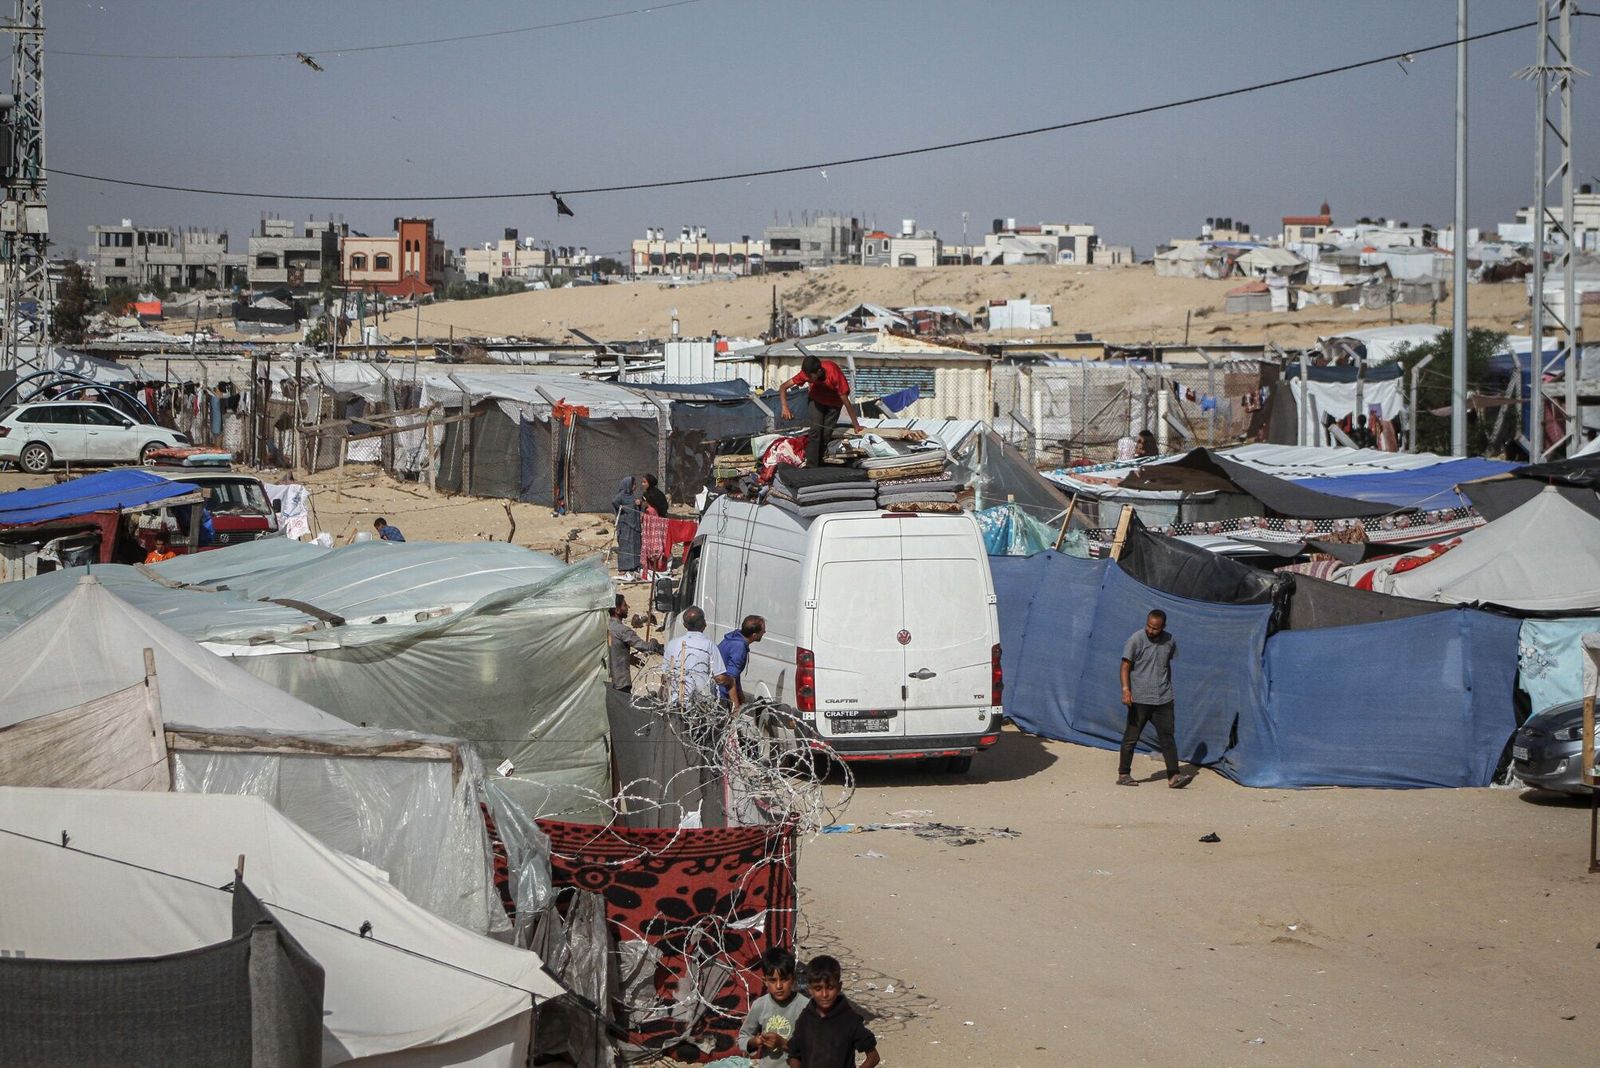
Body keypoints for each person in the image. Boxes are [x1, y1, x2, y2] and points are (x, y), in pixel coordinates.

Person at [1118, 609, 1186, 788]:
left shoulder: (1170, 641)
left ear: (1163, 627)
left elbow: (1166, 665)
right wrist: (1126, 690)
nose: (1150, 630)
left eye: (1155, 628)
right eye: (1148, 626)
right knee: (1131, 738)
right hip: (1139, 699)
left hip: (1163, 699)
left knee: (1167, 738)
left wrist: (1168, 688)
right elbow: (1125, 666)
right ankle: (1124, 774)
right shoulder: (1135, 640)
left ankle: (1174, 776)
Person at [786, 955, 878, 1068]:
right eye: (818, 988)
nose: (825, 995)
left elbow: (873, 1057)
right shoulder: (805, 1018)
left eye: (830, 987)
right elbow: (794, 1055)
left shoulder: (849, 1020)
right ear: (810, 989)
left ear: (839, 987)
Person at [777, 354, 864, 468]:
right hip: (816, 400)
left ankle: (821, 462)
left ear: (819, 371)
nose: (807, 379)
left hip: (834, 404)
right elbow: (783, 387)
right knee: (815, 431)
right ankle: (811, 465)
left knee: (826, 434)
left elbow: (847, 403)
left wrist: (856, 424)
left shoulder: (834, 375)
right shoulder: (806, 373)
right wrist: (785, 407)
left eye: (810, 377)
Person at [737, 947, 809, 1065]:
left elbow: (813, 1046)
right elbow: (743, 1037)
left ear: (794, 978)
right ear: (765, 981)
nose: (779, 986)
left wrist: (784, 1044)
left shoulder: (805, 1007)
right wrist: (755, 1042)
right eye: (773, 980)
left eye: (784, 979)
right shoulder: (760, 1005)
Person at [661, 605, 732, 709]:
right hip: (701, 704)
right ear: (704, 624)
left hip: (676, 702)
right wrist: (730, 681)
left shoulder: (673, 644)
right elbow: (720, 678)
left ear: (685, 625)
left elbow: (665, 677)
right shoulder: (709, 645)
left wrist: (663, 701)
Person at [607, 595, 661, 693]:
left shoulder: (605, 627)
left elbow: (611, 650)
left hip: (607, 681)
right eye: (624, 605)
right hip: (621, 682)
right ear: (617, 610)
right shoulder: (622, 630)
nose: (628, 607)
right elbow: (646, 648)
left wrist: (627, 657)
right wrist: (654, 641)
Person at [717, 615, 766, 711]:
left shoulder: (733, 638)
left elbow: (735, 673)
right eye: (763, 631)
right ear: (754, 635)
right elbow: (731, 679)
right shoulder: (739, 647)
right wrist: (736, 707)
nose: (764, 632)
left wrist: (740, 694)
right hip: (721, 696)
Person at [613, 475, 643, 577]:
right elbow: (615, 503)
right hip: (625, 525)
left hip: (634, 525)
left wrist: (638, 504)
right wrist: (625, 509)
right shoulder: (621, 495)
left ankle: (635, 566)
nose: (635, 486)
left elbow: (635, 506)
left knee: (635, 545)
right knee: (625, 546)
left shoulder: (632, 495)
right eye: (633, 484)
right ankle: (624, 567)